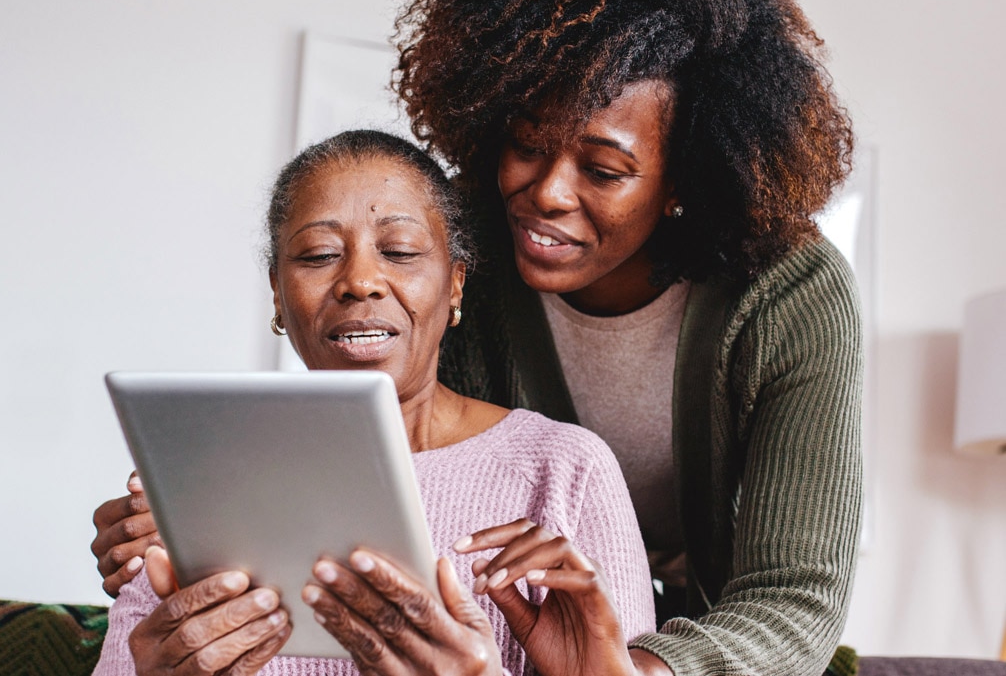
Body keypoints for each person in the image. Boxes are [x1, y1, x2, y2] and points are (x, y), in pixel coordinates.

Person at [93, 0, 866, 673]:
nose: (547, 194)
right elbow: (405, 469)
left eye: (602, 170)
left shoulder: (790, 294)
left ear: (682, 181)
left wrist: (625, 672)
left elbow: (794, 595)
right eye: (526, 145)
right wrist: (200, 514)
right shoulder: (466, 258)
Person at [91, 129, 656, 676]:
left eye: (400, 250)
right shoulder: (199, 486)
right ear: (278, 294)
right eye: (317, 255)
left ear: (456, 284)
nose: (360, 280)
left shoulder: (565, 469)